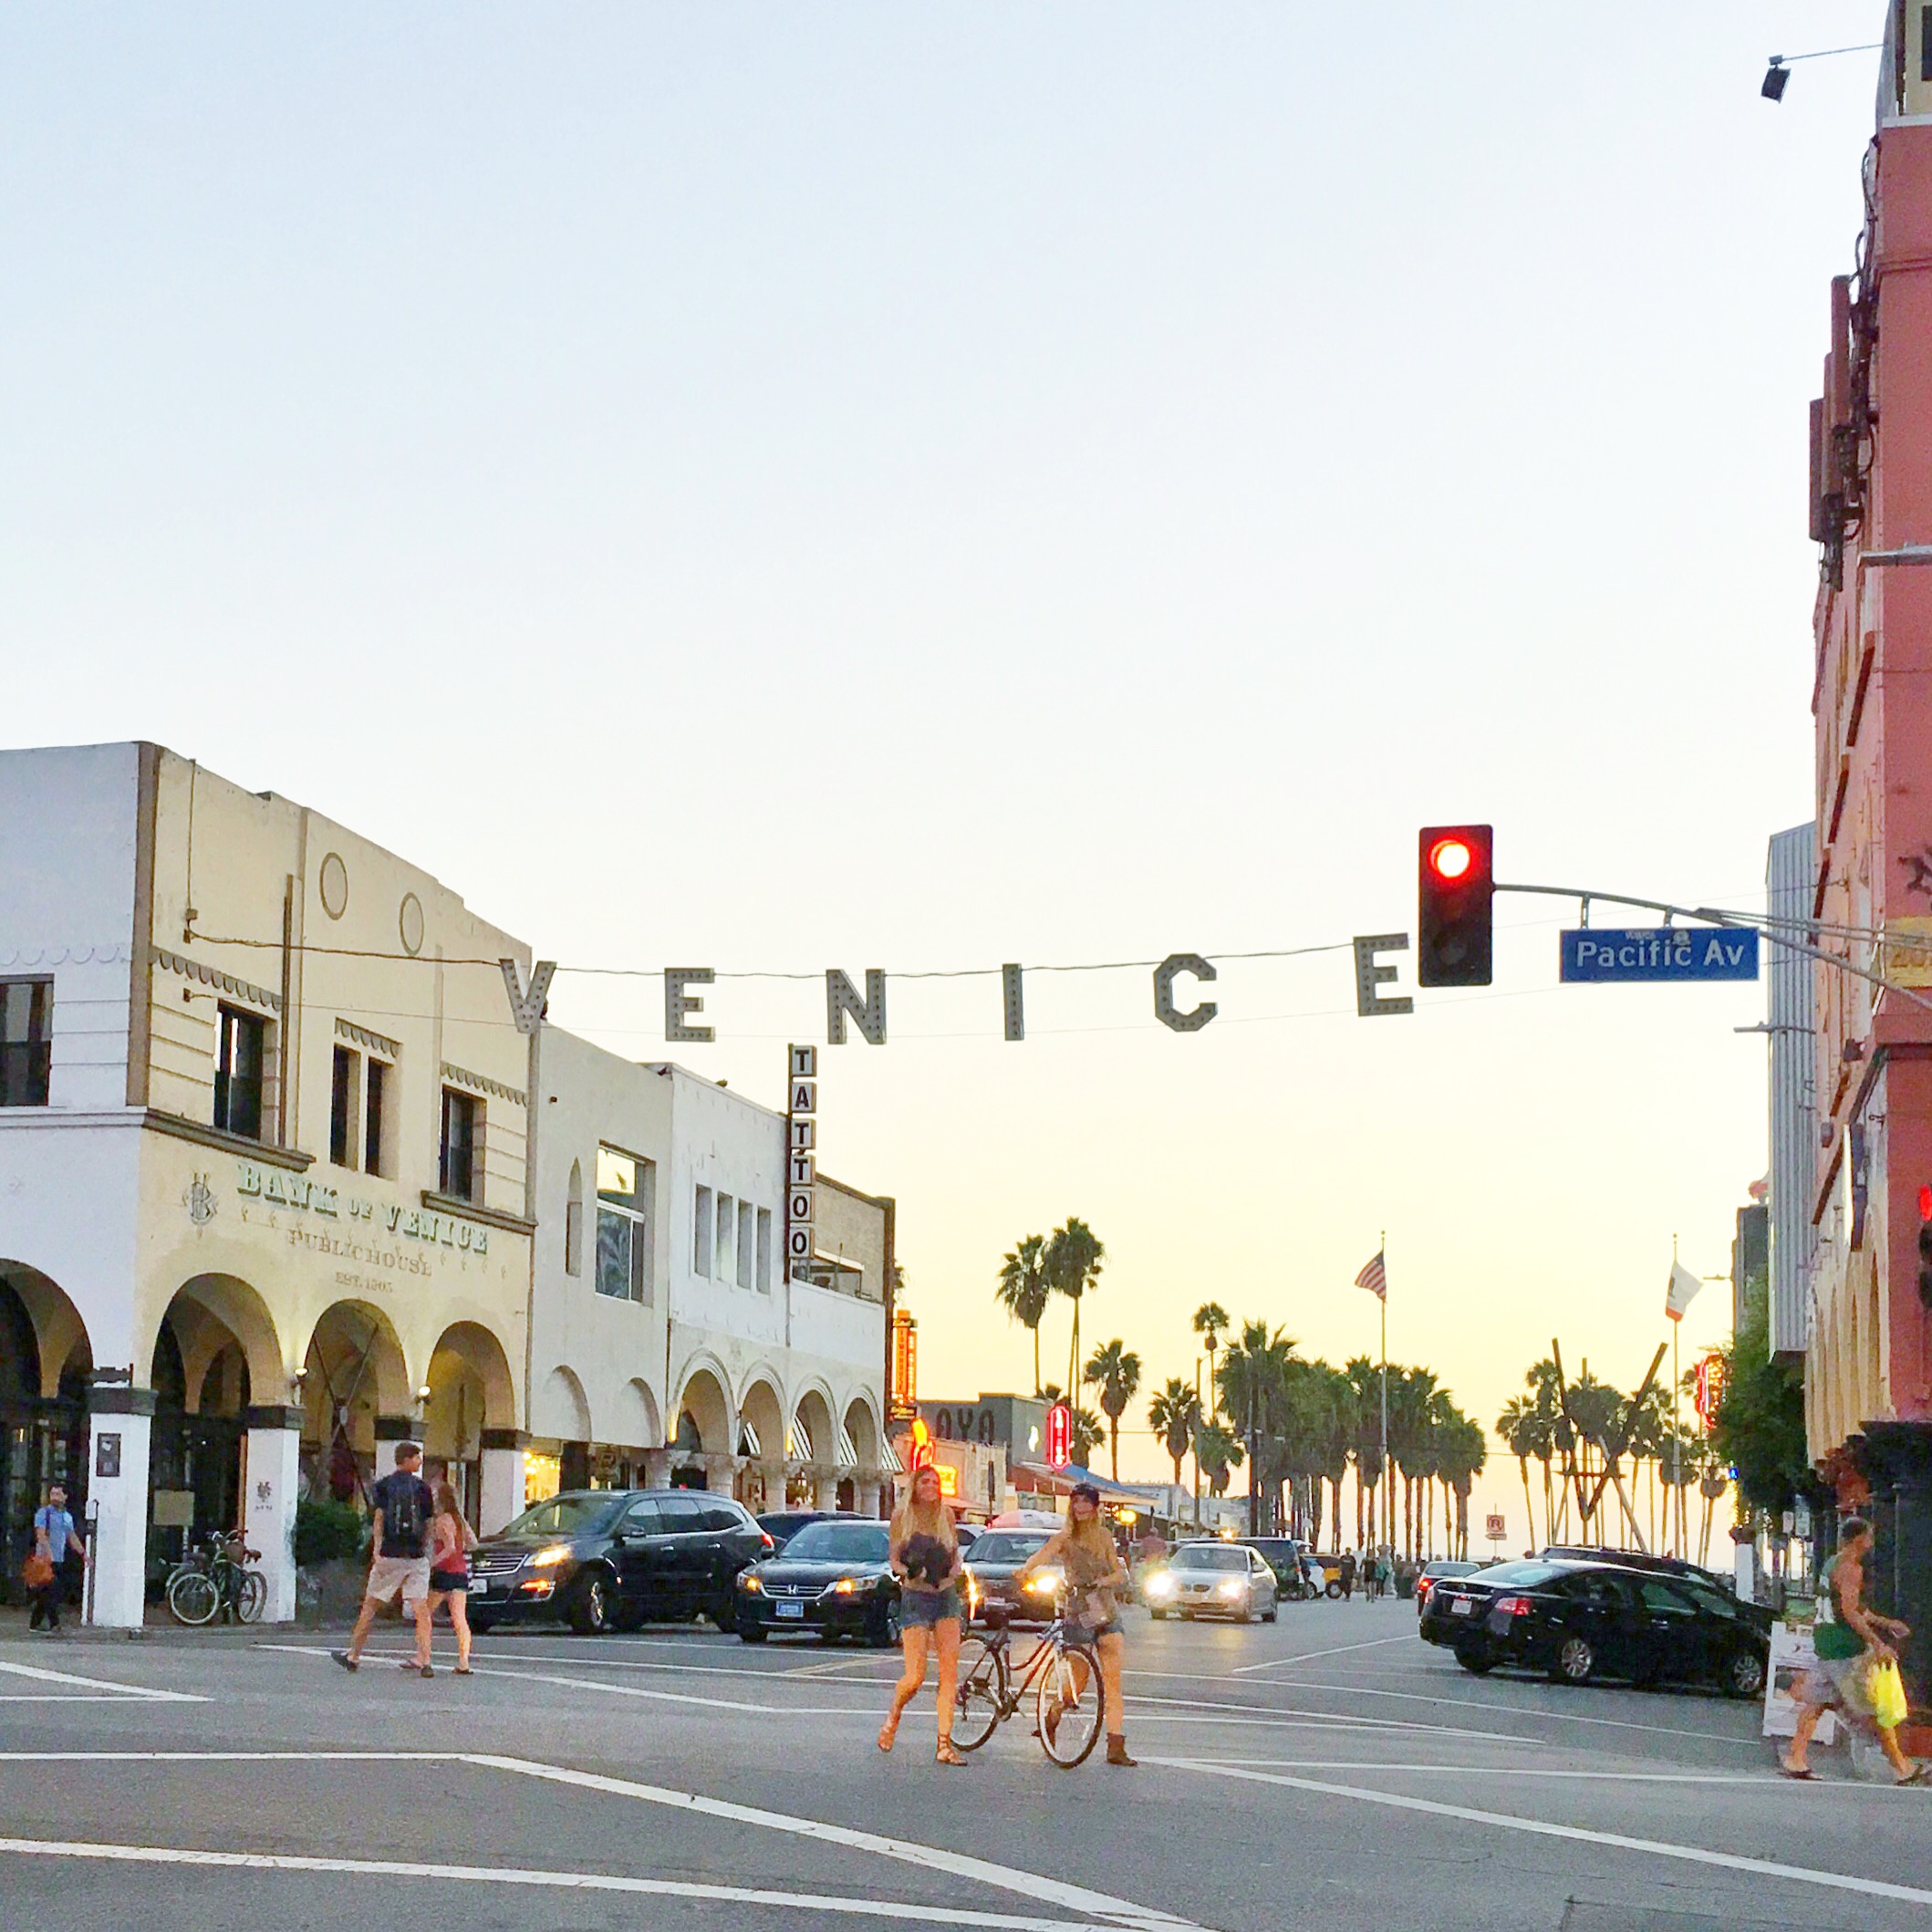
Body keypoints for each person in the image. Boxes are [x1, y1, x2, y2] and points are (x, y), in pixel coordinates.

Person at [1781, 1516, 1924, 1783]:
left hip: (1825, 1644)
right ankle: (1900, 1767)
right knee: (1874, 1708)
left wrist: (1885, 1623)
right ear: (1859, 1538)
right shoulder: (1850, 1568)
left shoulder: (1831, 1563)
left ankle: (1795, 1758)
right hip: (1844, 1650)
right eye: (1869, 1535)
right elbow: (1849, 1612)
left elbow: (1852, 1606)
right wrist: (1878, 1643)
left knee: (1816, 1704)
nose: (1871, 1541)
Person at [1015, 1482, 1136, 1767]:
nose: (1081, 1508)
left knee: (1113, 1682)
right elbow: (1044, 1554)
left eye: (1086, 1502)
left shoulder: (1105, 1537)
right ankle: (1052, 1717)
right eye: (1076, 1502)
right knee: (1076, 1684)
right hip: (1079, 1610)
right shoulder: (1065, 1537)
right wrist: (1026, 1569)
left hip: (1106, 1610)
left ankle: (1115, 1745)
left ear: (1096, 1508)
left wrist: (1104, 1581)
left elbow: (1119, 1573)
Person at [879, 1465, 966, 1765]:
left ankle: (944, 1744)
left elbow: (955, 1555)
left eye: (935, 1481)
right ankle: (894, 1715)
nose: (931, 1485)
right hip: (915, 1596)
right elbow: (893, 1559)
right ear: (915, 1486)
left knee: (949, 1673)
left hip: (945, 1596)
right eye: (925, 1481)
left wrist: (954, 1572)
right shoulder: (902, 1517)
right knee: (915, 1676)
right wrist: (910, 1571)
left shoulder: (947, 1515)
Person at [334, 1441, 436, 1678]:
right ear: (408, 1459)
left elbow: (379, 1519)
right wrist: (426, 1550)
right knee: (420, 1608)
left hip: (390, 1554)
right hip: (416, 1556)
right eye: (418, 1458)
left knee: (370, 1606)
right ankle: (426, 1659)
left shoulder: (384, 1486)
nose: (420, 1462)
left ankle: (353, 1655)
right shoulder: (423, 1488)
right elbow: (429, 1523)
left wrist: (377, 1549)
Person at [425, 1480, 478, 1676]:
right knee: (459, 1618)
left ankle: (423, 1656)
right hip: (460, 1572)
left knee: (424, 1614)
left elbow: (449, 1547)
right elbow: (473, 1543)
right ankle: (464, 1661)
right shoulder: (459, 1520)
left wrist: (432, 1562)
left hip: (443, 1572)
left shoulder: (441, 1521)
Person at [28, 1483, 87, 1634]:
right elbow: (41, 1535)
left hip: (58, 1560)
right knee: (51, 1591)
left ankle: (35, 1624)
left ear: (65, 1497)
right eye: (52, 1494)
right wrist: (49, 1554)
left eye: (58, 1494)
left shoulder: (67, 1517)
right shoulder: (43, 1513)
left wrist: (83, 1554)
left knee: (47, 1593)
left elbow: (71, 1536)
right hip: (45, 1561)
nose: (54, 1497)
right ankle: (55, 1623)